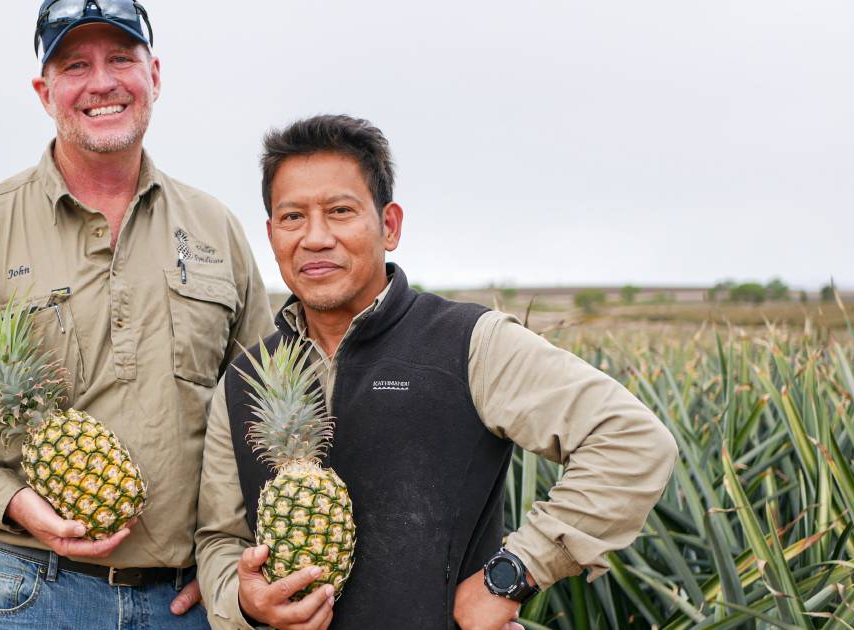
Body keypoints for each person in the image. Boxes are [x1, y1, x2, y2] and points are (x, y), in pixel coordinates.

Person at [0, 2, 273, 627]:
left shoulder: (215, 227)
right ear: (44, 90)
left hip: (184, 602)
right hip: (26, 593)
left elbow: (255, 411)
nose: (102, 82)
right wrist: (14, 500)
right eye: (75, 64)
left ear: (154, 76)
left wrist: (224, 570)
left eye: (121, 59)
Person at [195, 114, 678, 630]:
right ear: (271, 234)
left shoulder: (470, 342)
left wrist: (514, 573)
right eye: (292, 218)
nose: (315, 238)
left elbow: (632, 441)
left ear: (390, 225)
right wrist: (244, 605)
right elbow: (220, 539)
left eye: (340, 211)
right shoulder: (246, 377)